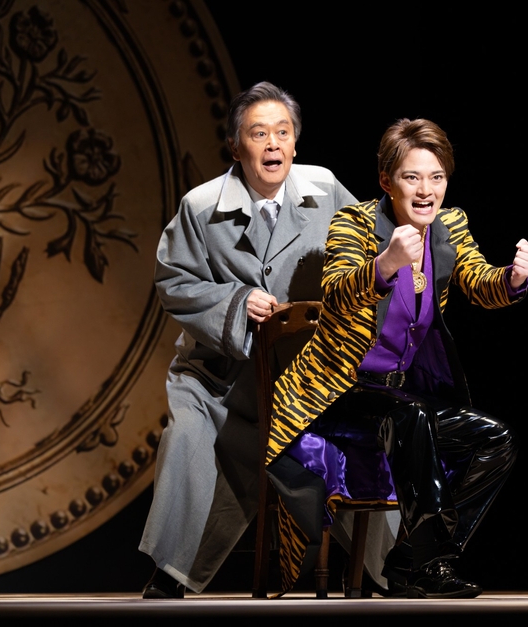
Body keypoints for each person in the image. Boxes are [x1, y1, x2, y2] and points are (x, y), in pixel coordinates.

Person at [138, 82, 399, 598]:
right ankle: (170, 573)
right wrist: (236, 302)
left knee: (356, 440)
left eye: (283, 132)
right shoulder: (202, 205)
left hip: (307, 374)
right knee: (188, 439)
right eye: (259, 134)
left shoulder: (323, 188)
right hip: (220, 380)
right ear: (236, 147)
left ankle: (393, 571)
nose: (273, 143)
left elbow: (369, 253)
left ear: (295, 143)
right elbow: (174, 280)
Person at [266, 118, 528, 598]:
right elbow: (337, 294)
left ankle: (413, 557)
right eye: (412, 177)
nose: (425, 190)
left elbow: (480, 283)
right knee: (410, 415)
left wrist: (514, 279)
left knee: (496, 440)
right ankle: (426, 568)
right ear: (387, 181)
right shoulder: (354, 223)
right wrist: (385, 264)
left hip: (399, 397)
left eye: (436, 177)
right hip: (337, 392)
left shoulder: (449, 226)